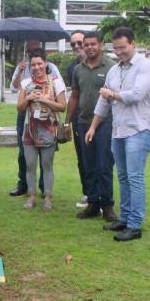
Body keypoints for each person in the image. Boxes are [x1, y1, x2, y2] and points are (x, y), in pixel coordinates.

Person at [86, 27, 150, 241]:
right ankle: (124, 219)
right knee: (123, 177)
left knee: (135, 178)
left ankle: (135, 225)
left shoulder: (146, 66)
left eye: (123, 47)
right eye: (115, 48)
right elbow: (102, 101)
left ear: (133, 44)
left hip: (138, 130)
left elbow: (135, 95)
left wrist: (112, 94)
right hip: (119, 131)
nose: (119, 52)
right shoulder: (114, 70)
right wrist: (93, 126)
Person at [64, 31, 117, 221]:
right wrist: (67, 121)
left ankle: (107, 205)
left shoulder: (112, 67)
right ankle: (93, 203)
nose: (89, 47)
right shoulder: (78, 69)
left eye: (93, 44)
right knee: (88, 165)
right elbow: (75, 97)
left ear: (101, 45)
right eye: (86, 45)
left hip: (106, 123)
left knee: (104, 164)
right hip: (84, 122)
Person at [9, 40, 66, 196]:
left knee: (47, 164)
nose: (36, 67)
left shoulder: (56, 82)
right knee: (30, 164)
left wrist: (44, 100)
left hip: (48, 128)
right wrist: (28, 98)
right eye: (33, 65)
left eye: (39, 64)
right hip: (30, 128)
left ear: (45, 63)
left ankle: (47, 196)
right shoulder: (26, 83)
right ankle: (31, 196)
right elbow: (19, 107)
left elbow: (62, 106)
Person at [66, 30, 89, 208]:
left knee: (99, 160)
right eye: (73, 44)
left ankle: (102, 197)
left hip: (100, 120)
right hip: (78, 120)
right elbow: (73, 96)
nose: (77, 47)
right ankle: (88, 194)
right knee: (82, 158)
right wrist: (67, 121)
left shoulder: (107, 65)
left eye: (79, 42)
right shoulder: (72, 68)